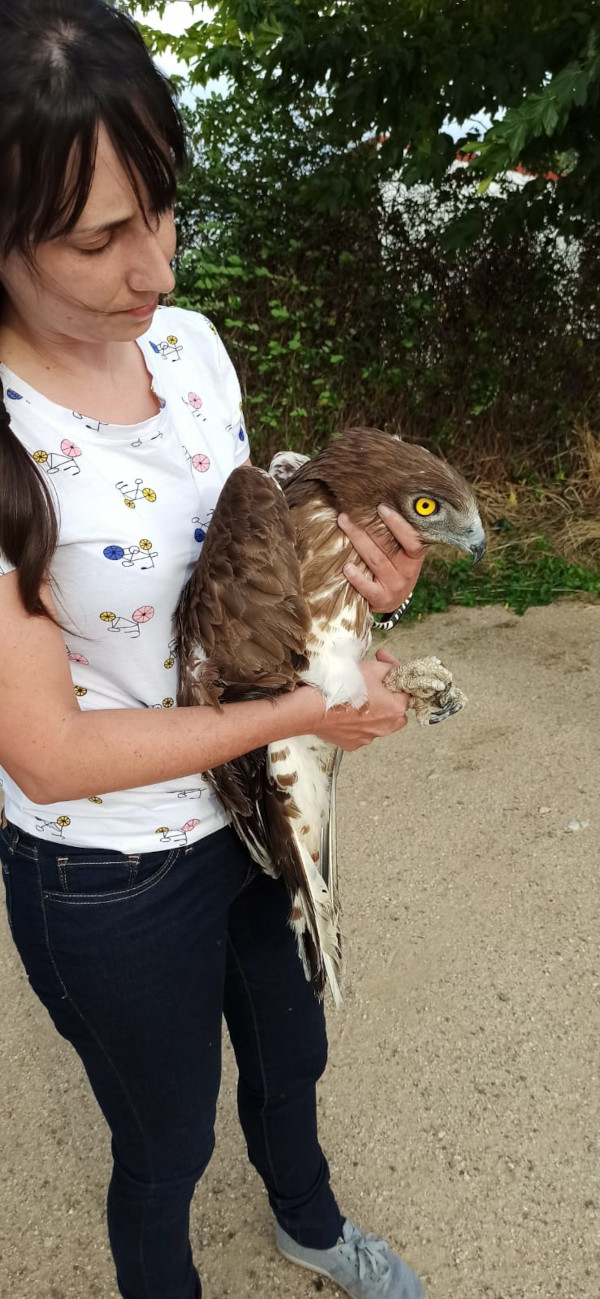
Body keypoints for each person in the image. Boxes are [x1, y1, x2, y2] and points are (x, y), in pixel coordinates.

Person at [0, 3, 428, 1297]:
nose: (159, 271)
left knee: (292, 1055)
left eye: (164, 213)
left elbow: (245, 576)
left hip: (251, 813)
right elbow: (53, 752)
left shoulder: (186, 352)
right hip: (111, 876)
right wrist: (311, 709)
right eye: (99, 238)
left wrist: (364, 599)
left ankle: (306, 1221)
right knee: (165, 1142)